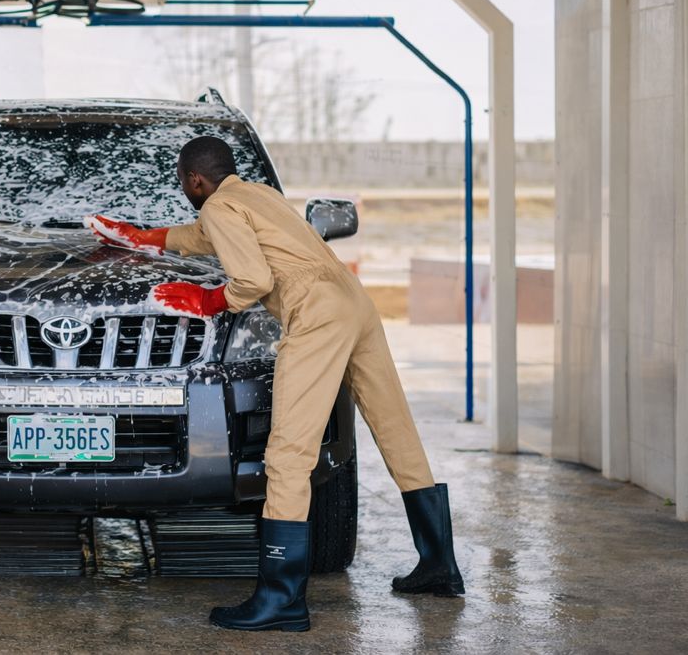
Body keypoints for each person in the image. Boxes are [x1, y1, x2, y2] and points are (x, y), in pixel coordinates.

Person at [89, 136, 462, 633]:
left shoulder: (220, 206)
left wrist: (205, 301)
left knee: (287, 453)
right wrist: (142, 237)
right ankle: (439, 565)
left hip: (314, 313)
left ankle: (282, 599)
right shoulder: (256, 195)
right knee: (394, 428)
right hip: (354, 303)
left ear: (194, 180)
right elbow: (201, 237)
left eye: (183, 182)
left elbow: (253, 281)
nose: (185, 189)